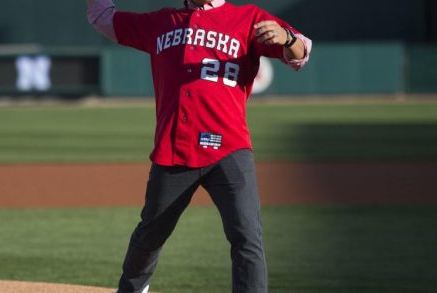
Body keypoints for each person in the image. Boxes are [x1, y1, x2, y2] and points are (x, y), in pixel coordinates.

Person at [86, 0, 312, 292]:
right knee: (150, 234)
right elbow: (103, 18)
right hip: (174, 148)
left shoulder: (247, 17)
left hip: (230, 148)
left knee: (246, 236)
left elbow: (301, 53)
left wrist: (288, 38)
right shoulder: (162, 22)